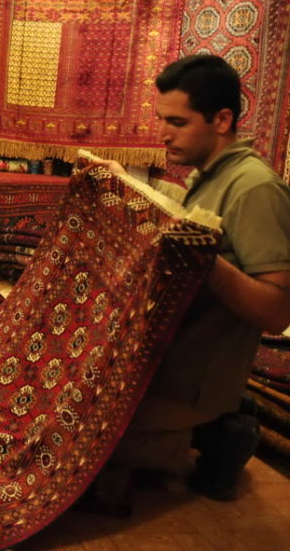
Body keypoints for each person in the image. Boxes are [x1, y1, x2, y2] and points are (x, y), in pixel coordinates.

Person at [89, 54, 290, 511]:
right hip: (166, 360)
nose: (163, 133)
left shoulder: (255, 189)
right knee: (61, 390)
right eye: (162, 119)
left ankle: (214, 436)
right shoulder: (211, 176)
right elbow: (189, 215)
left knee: (76, 432)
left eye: (177, 122)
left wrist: (201, 257)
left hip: (193, 381)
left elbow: (278, 312)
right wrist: (125, 185)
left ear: (222, 120)